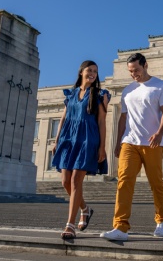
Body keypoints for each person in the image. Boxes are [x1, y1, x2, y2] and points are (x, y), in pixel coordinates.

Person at [101, 53, 163, 241]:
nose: (134, 74)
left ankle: (162, 219)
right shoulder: (128, 91)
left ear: (145, 65)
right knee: (124, 181)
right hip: (129, 141)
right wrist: (118, 142)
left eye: (137, 70)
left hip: (152, 142)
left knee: (155, 182)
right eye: (131, 71)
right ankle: (120, 227)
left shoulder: (160, 86)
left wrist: (159, 133)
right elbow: (123, 118)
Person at [52, 60, 110, 240]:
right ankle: (85, 209)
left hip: (87, 139)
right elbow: (63, 118)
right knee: (65, 182)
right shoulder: (71, 94)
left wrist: (102, 147)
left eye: (95, 71)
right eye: (89, 70)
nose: (92, 73)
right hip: (68, 139)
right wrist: (57, 140)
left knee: (77, 180)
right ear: (81, 72)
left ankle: (70, 225)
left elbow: (101, 122)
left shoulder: (100, 95)